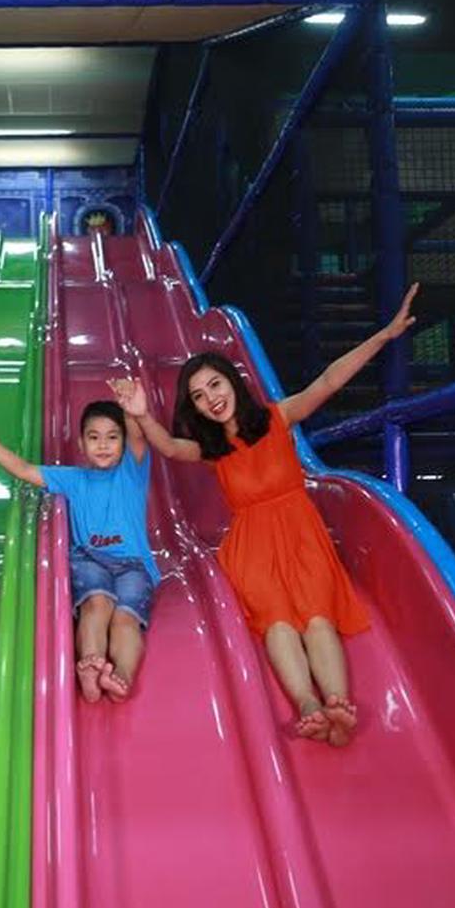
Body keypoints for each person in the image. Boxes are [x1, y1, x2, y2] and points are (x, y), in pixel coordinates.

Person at [115, 284, 419, 745]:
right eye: (198, 396)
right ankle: (308, 706)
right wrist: (141, 415)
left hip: (302, 534)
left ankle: (339, 703)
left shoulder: (279, 418)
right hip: (252, 547)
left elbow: (328, 381)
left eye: (215, 385)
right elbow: (170, 447)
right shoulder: (214, 449)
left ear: (233, 383)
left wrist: (384, 336)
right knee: (278, 623)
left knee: (317, 617)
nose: (211, 398)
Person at [0, 401, 158, 702]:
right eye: (94, 437)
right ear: (81, 443)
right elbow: (24, 469)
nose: (103, 445)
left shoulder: (132, 472)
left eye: (112, 437)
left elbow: (139, 437)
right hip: (89, 558)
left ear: (123, 442)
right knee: (96, 604)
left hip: (133, 564)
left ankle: (122, 675)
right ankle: (91, 662)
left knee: (126, 619)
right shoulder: (72, 478)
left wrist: (132, 410)